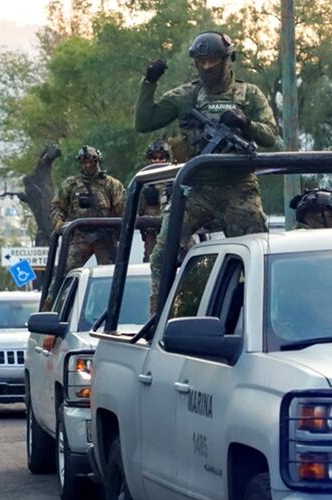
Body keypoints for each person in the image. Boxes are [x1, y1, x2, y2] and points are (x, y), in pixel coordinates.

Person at [136, 30, 279, 311]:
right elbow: (144, 122)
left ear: (228, 60)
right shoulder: (186, 95)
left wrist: (245, 123)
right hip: (197, 187)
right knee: (163, 253)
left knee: (257, 253)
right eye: (201, 61)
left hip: (239, 185)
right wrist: (149, 82)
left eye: (212, 60)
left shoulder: (249, 94)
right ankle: (160, 314)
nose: (206, 67)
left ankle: (258, 313)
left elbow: (271, 136)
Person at [51, 146, 126, 270]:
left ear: (97, 162)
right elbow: (57, 206)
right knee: (64, 272)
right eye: (84, 163)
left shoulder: (111, 184)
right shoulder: (71, 185)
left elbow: (122, 210)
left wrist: (118, 231)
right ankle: (58, 290)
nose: (87, 166)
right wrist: (59, 222)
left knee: (112, 273)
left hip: (105, 236)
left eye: (91, 162)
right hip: (80, 235)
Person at [139, 139, 174, 262]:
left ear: (167, 158)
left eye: (161, 157)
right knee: (151, 262)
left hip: (174, 229)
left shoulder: (178, 177)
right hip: (152, 232)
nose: (158, 161)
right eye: (154, 158)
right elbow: (136, 211)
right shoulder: (142, 181)